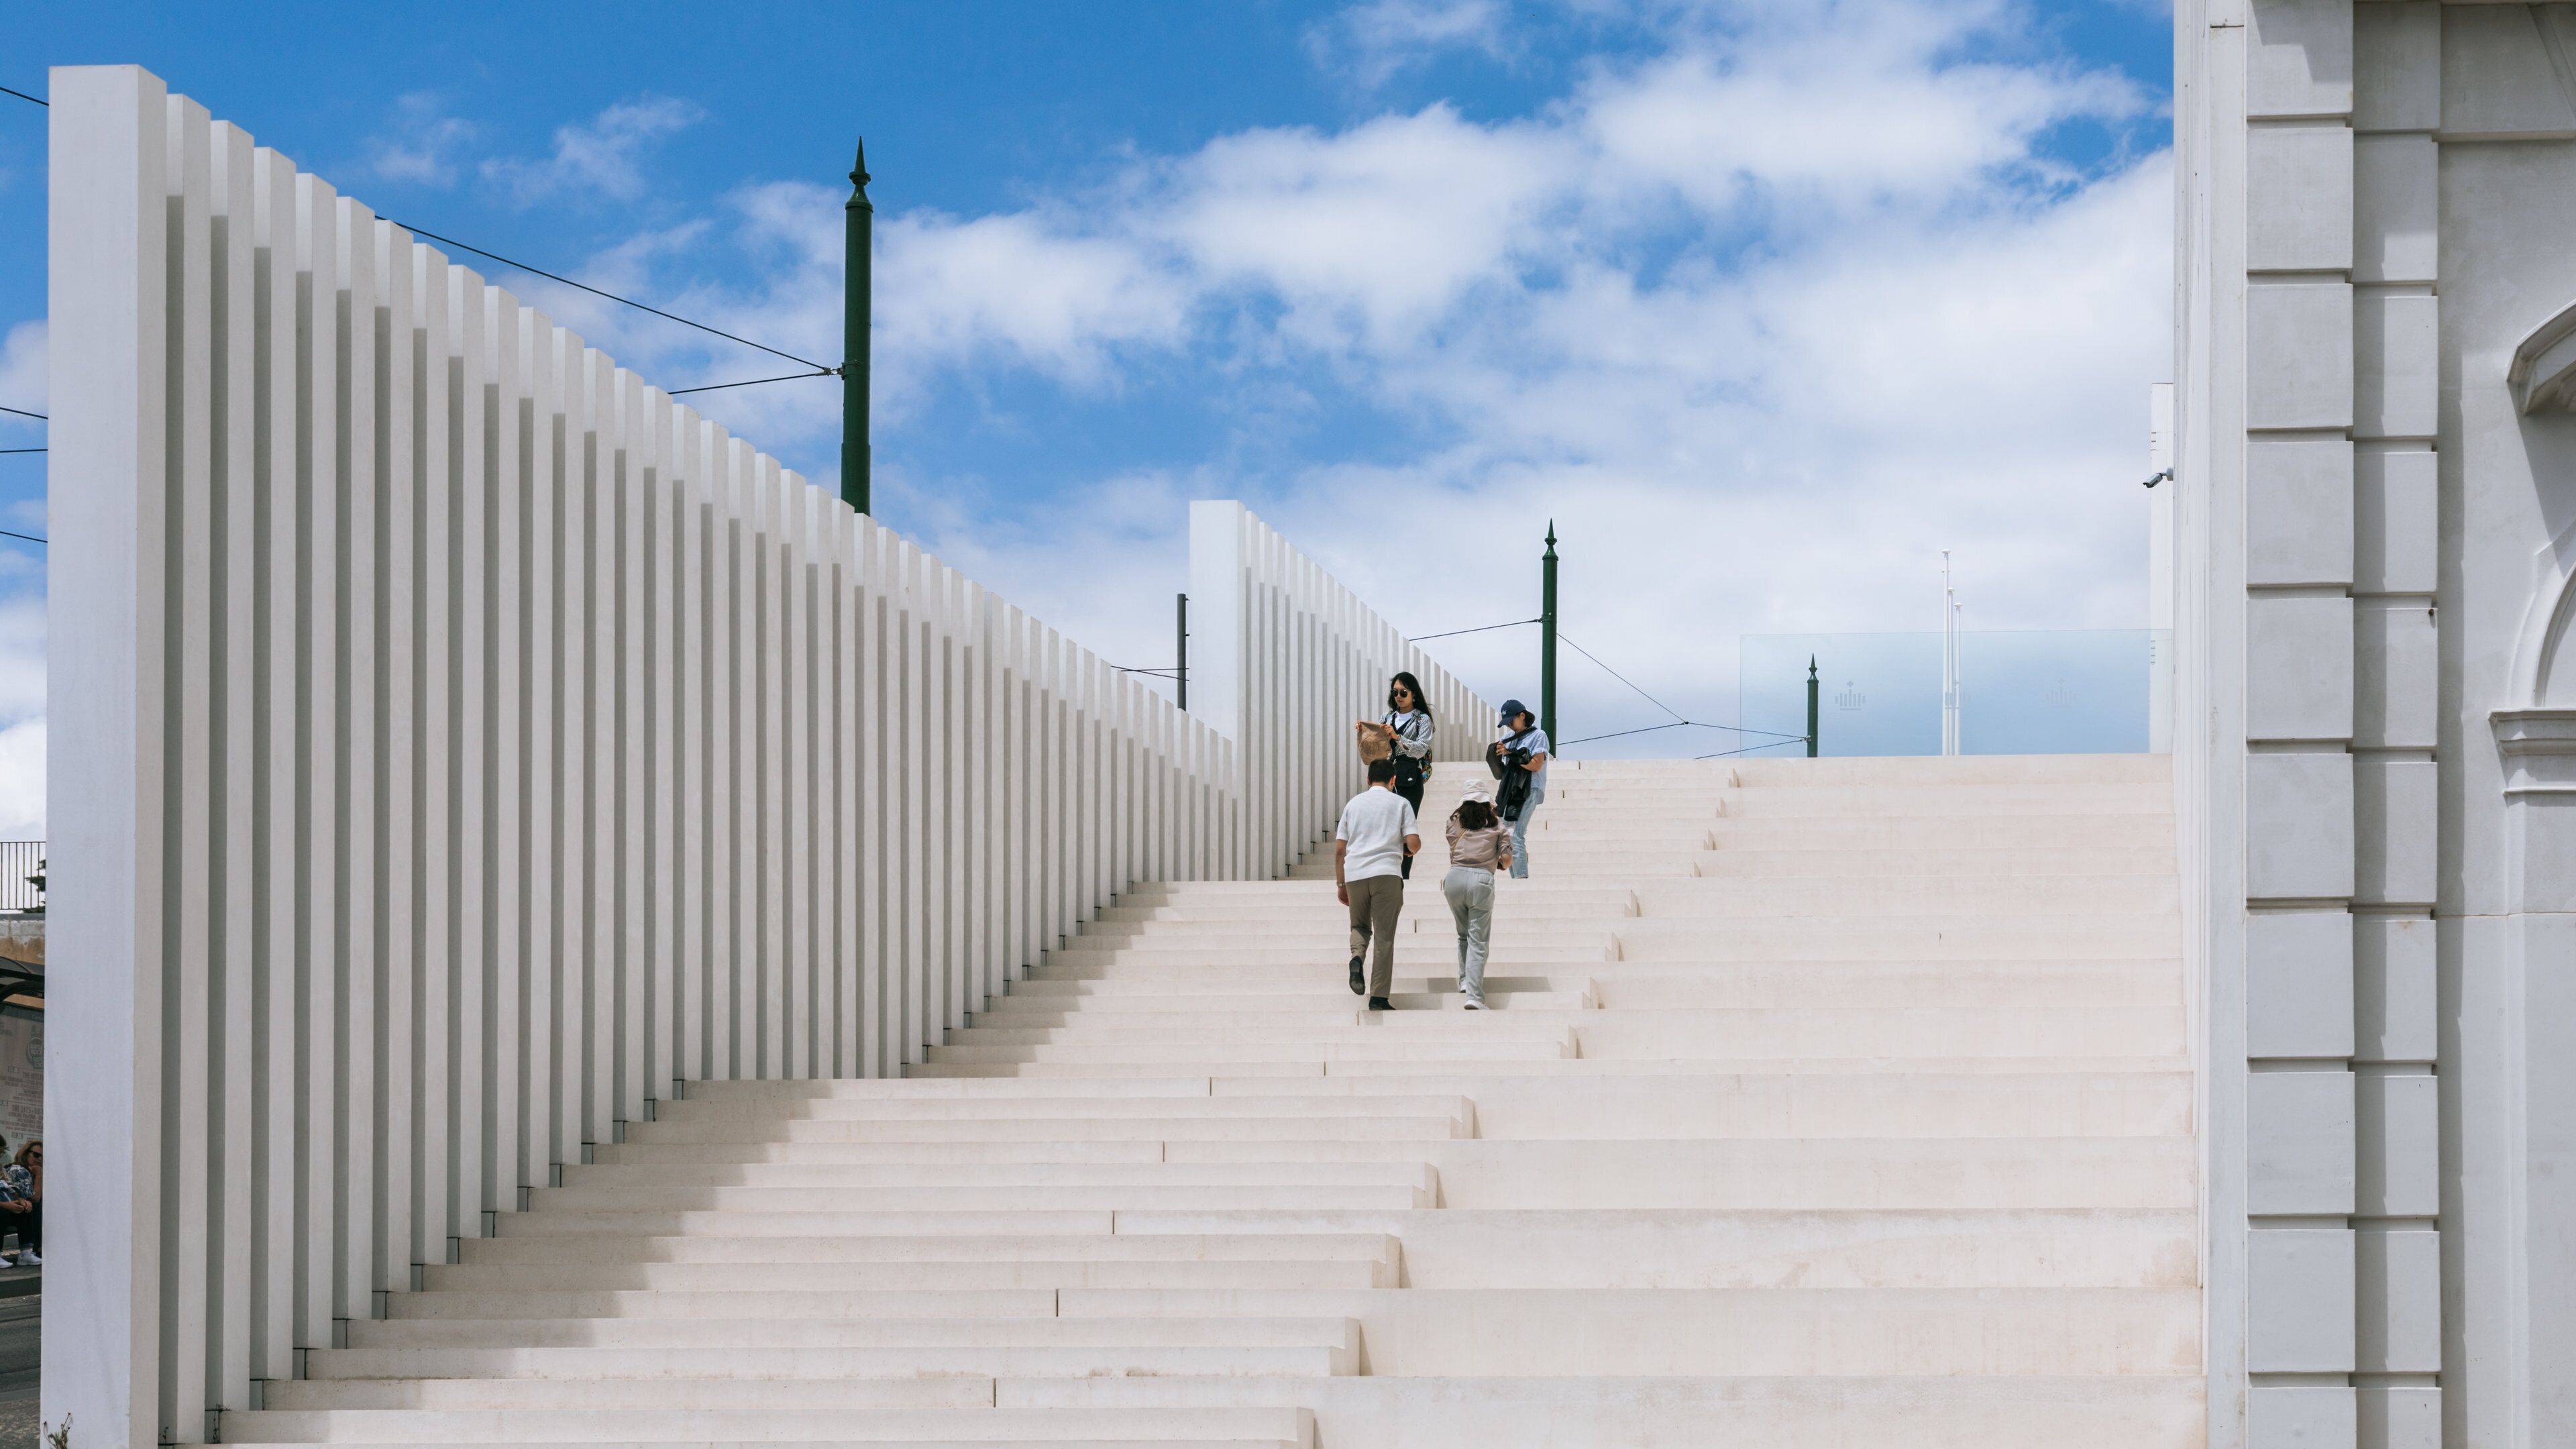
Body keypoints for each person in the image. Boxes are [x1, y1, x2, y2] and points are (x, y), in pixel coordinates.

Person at [1335, 756, 1420, 1010]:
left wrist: (1341, 884)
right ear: (1393, 780)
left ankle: (1357, 957)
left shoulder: (1353, 805)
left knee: (1359, 926)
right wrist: (1407, 847)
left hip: (1355, 874)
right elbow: (1413, 843)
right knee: (1384, 937)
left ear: (1368, 779)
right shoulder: (1401, 803)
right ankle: (1379, 998)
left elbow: (1340, 850)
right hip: (1387, 874)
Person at [1443, 778, 1512, 1010]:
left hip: (1454, 879)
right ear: (1487, 802)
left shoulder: (1453, 823)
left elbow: (1453, 843)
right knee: (1478, 939)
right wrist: (1498, 863)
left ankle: (1465, 980)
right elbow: (1507, 859)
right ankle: (1474, 995)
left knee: (1463, 934)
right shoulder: (1498, 826)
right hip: (1481, 880)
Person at [1360, 672, 1434, 878]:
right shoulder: (1387, 717)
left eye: (1403, 692)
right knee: (1383, 826)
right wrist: (1365, 731)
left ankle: (1403, 877)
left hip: (1410, 776)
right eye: (1395, 692)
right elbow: (1377, 745)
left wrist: (1397, 737)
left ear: (1414, 694)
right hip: (1385, 776)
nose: (1399, 696)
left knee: (1406, 828)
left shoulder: (1422, 720)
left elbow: (1421, 749)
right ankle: (1384, 873)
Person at [1487, 699, 1551, 879]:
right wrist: (1496, 753)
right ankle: (1516, 878)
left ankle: (1521, 878)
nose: (1509, 726)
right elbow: (1501, 772)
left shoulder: (1538, 735)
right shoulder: (1508, 739)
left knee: (1516, 834)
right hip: (1510, 791)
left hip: (1530, 788)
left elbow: (1536, 765)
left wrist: (1510, 754)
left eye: (1511, 721)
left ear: (1522, 716)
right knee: (1507, 835)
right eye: (1506, 723)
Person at [1, 1136, 37, 1267]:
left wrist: (21, 1199)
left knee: (27, 1210)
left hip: (7, 1203)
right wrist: (5, 1205)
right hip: (3, 1207)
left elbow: (8, 1184)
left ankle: (26, 1253)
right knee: (2, 1213)